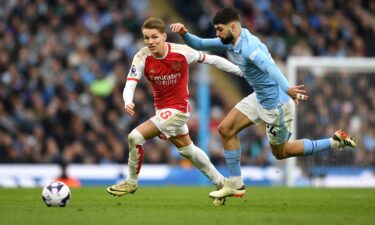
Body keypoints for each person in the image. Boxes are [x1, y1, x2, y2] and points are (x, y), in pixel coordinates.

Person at [170, 7, 357, 199]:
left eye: (219, 29)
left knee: (282, 152)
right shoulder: (231, 41)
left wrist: (288, 88)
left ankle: (335, 141)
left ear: (232, 27)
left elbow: (270, 67)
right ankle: (236, 184)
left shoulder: (251, 47)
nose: (217, 34)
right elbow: (200, 44)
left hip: (276, 105)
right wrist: (184, 33)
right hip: (258, 97)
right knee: (225, 129)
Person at [106, 17, 243, 206]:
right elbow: (130, 82)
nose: (150, 42)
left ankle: (131, 182)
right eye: (146, 38)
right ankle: (222, 183)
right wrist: (127, 100)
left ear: (164, 36)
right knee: (188, 150)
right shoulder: (142, 56)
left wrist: (240, 72)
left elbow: (212, 59)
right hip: (162, 110)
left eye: (154, 37)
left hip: (179, 110)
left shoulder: (181, 52)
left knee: (135, 137)